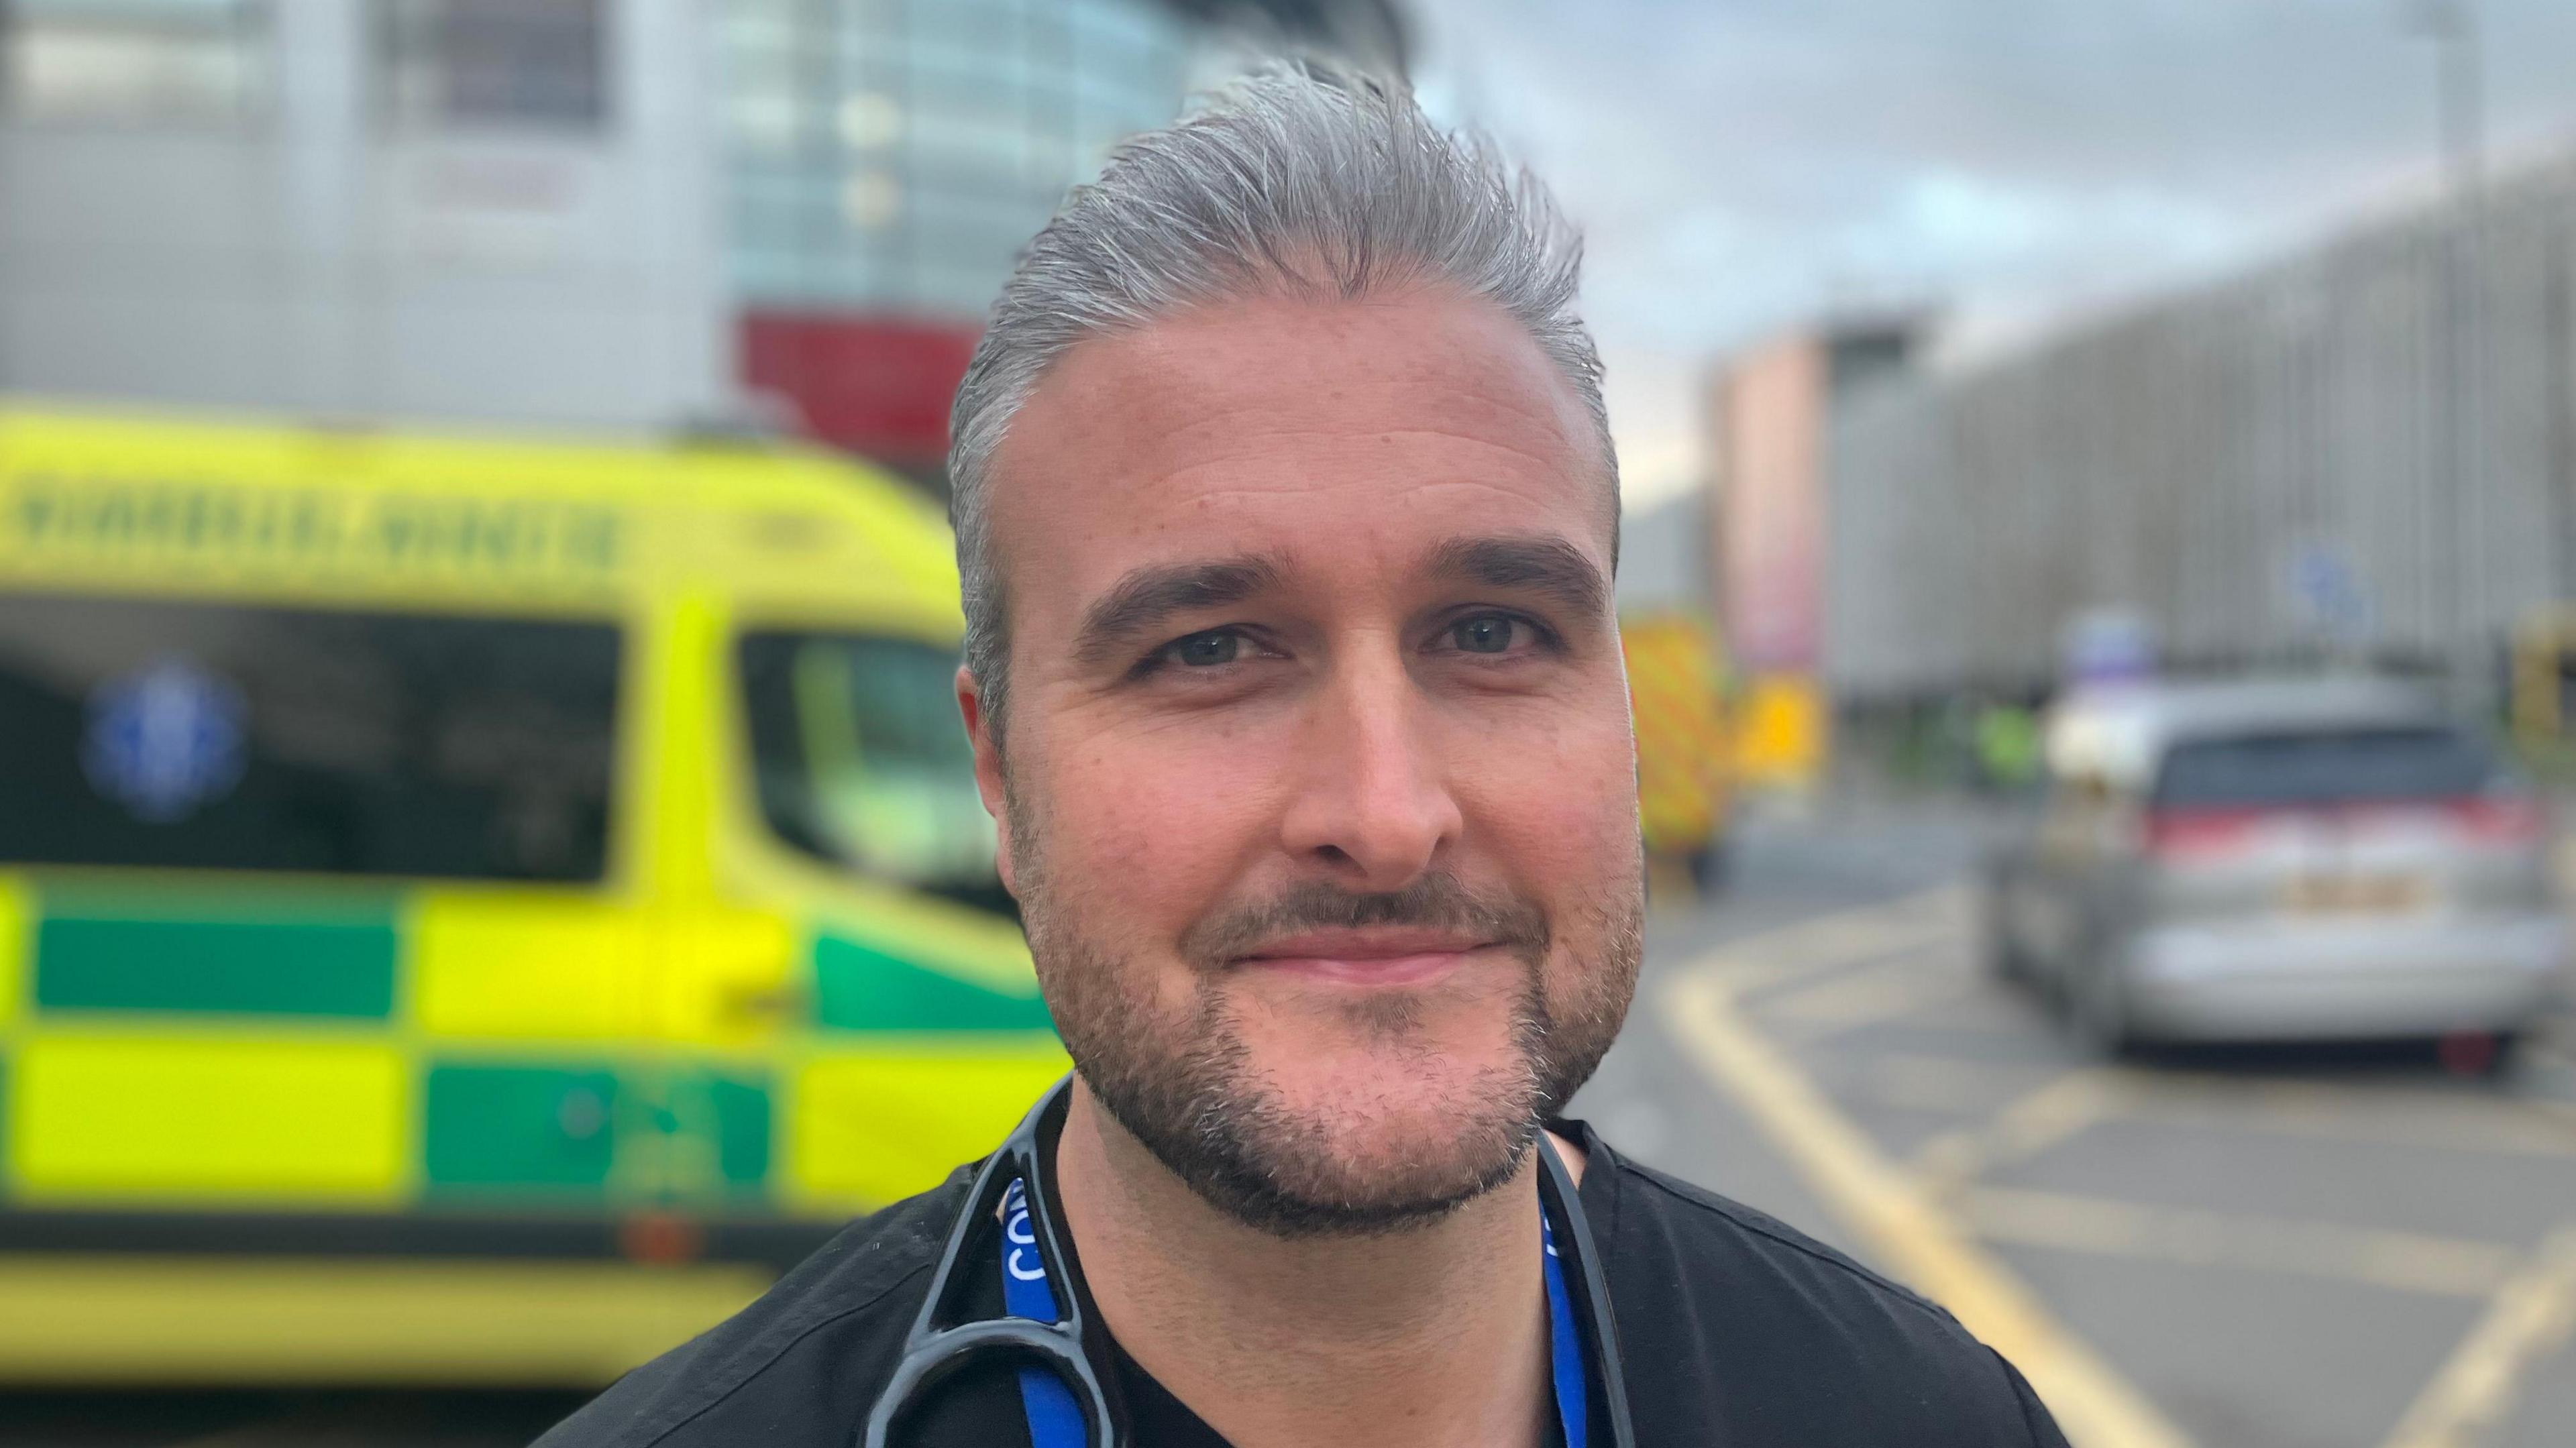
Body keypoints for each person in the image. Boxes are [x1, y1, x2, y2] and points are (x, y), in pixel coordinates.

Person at [537, 64, 2069, 1448]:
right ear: (1000, 778)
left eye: (1491, 634)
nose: (1387, 816)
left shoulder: (1926, 1419)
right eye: (1209, 651)